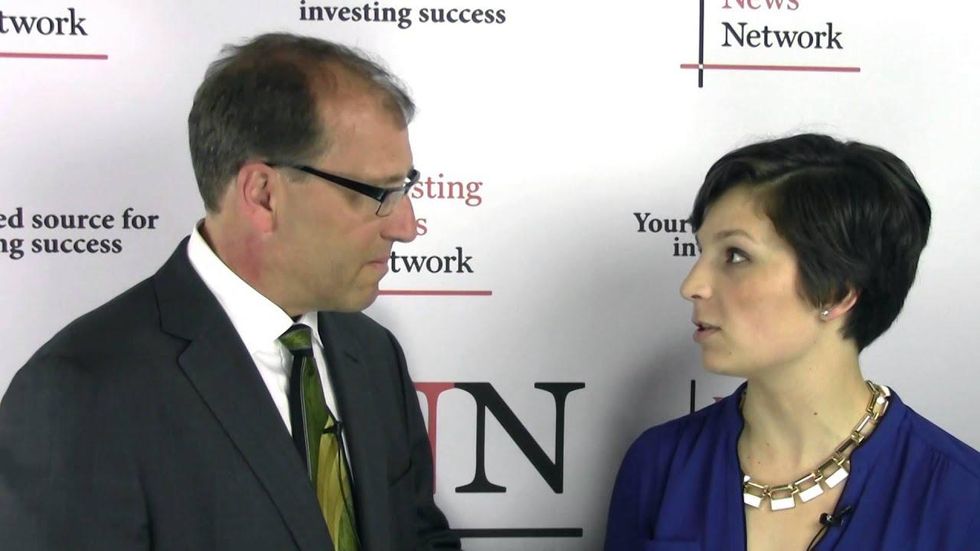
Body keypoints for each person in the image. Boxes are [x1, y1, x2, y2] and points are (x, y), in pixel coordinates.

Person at [0, 33, 460, 550]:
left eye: (405, 187)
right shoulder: (82, 394)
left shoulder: (372, 354)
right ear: (263, 195)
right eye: (379, 193)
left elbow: (419, 536)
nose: (406, 226)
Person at [605, 134, 980, 550]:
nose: (692, 285)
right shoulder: (659, 465)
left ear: (836, 292)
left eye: (735, 256)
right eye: (700, 252)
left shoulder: (962, 500)